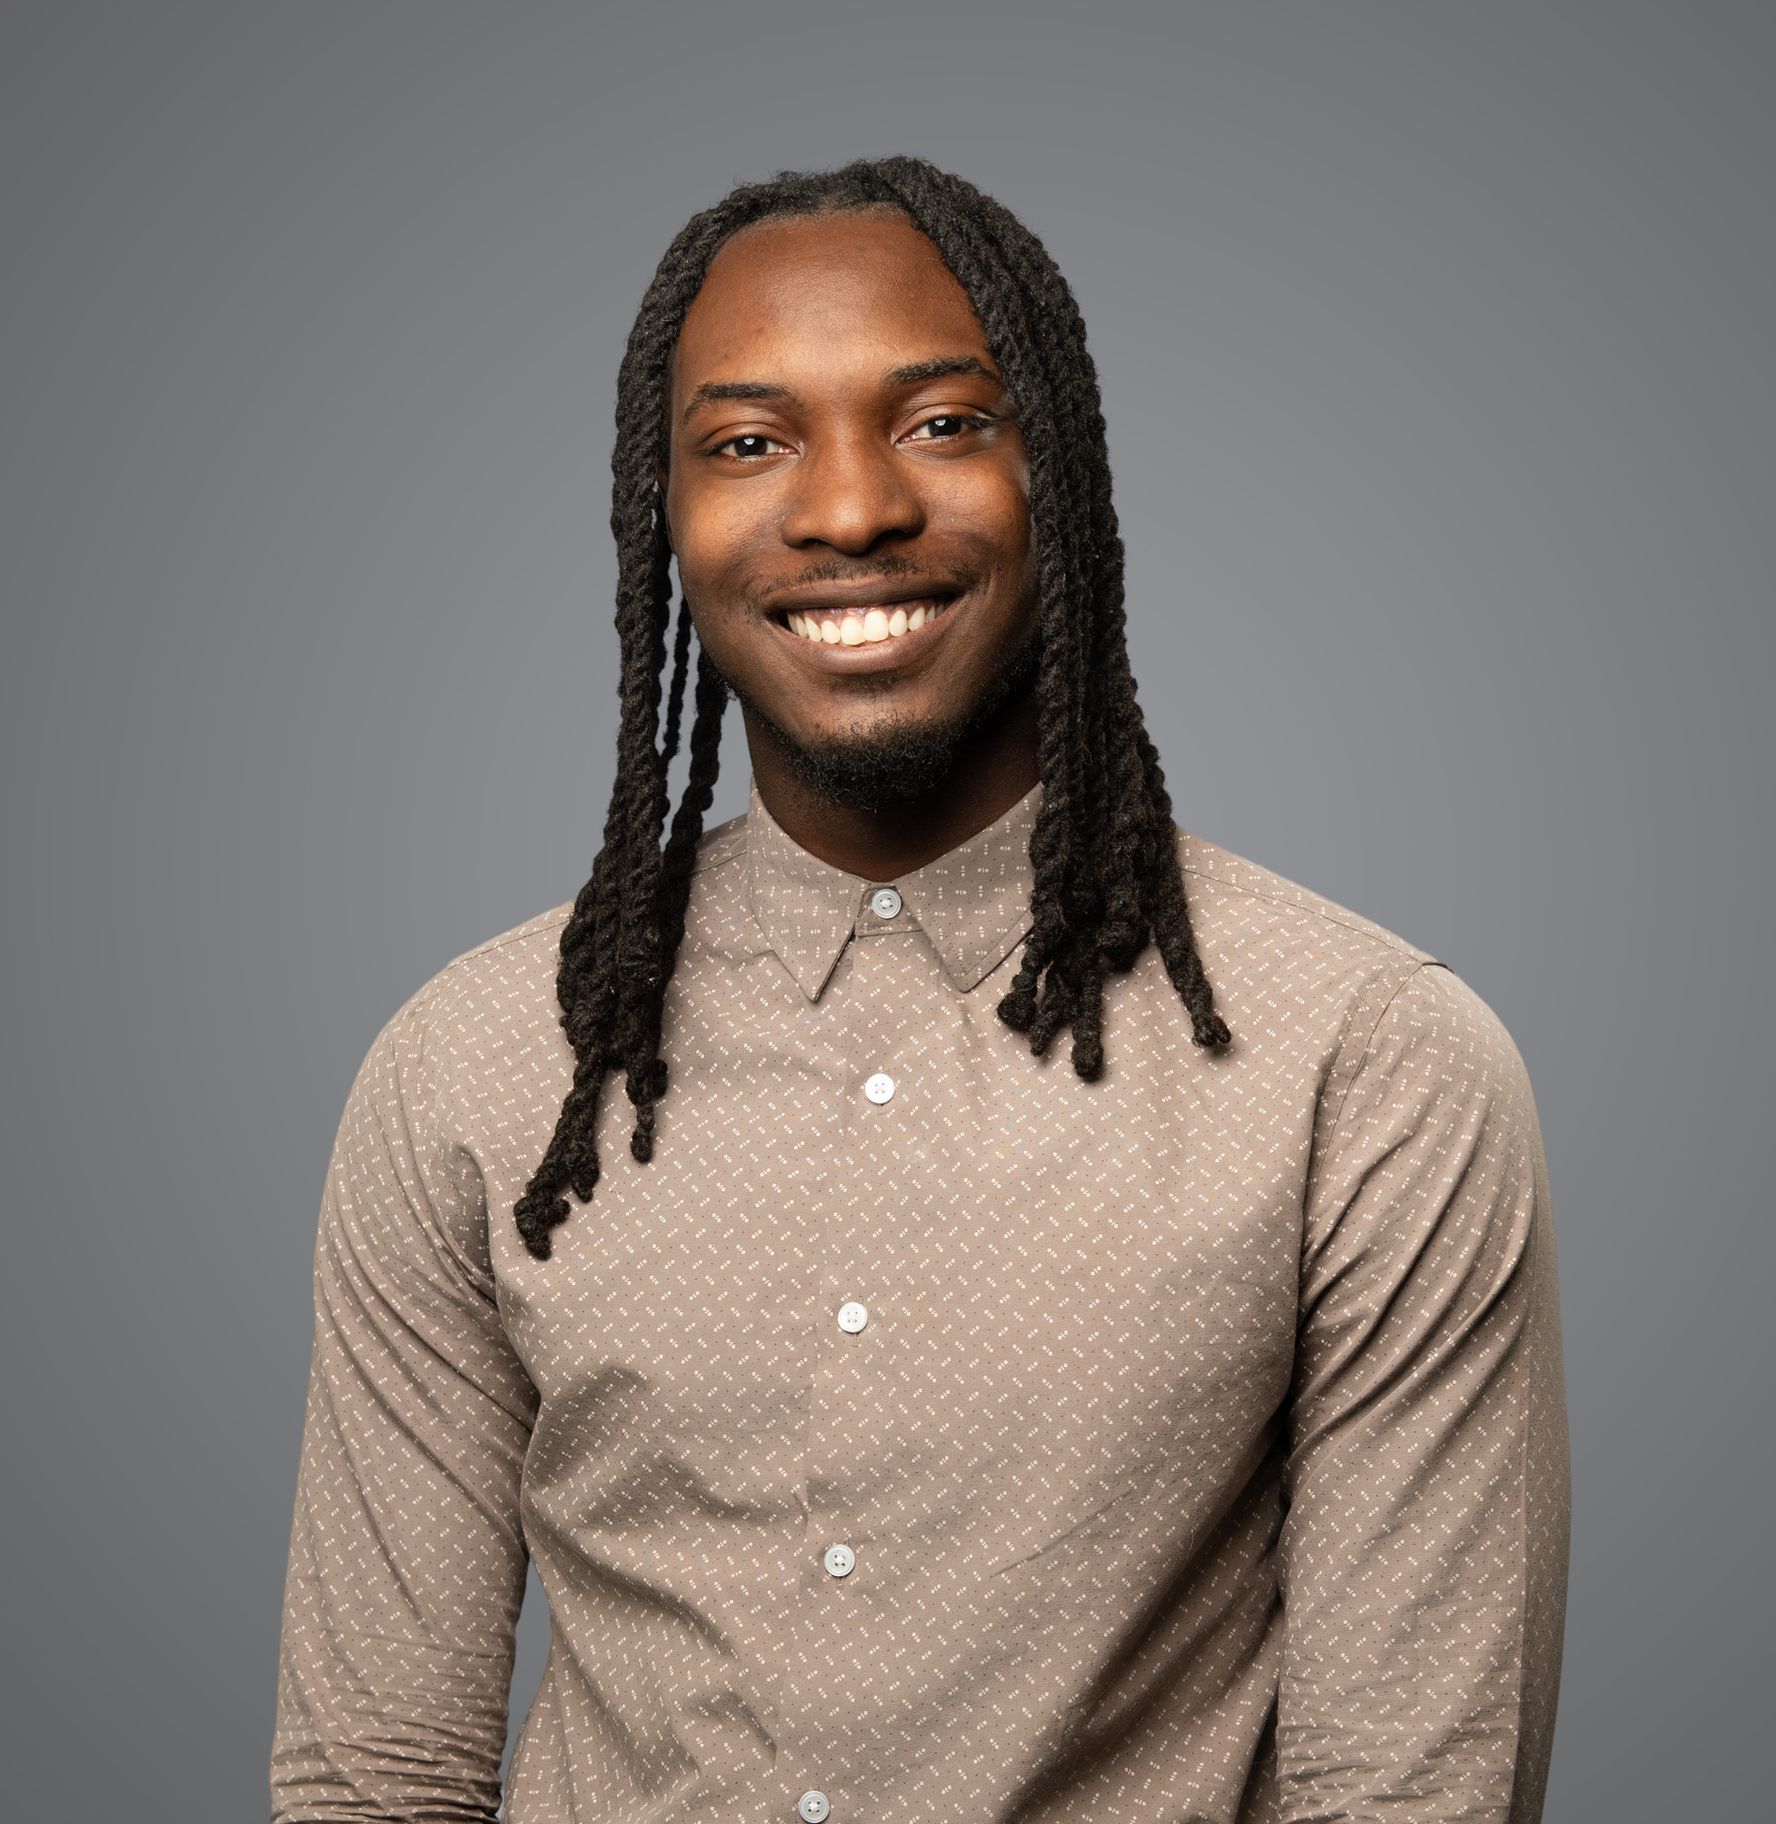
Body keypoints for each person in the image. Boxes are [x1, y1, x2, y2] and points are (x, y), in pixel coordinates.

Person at [270, 154, 1571, 1824]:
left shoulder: (1371, 1065)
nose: (849, 509)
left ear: (1067, 479)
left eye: (944, 422)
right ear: (662, 519)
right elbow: (378, 1773)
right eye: (748, 444)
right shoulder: (470, 1070)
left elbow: (1409, 1789)